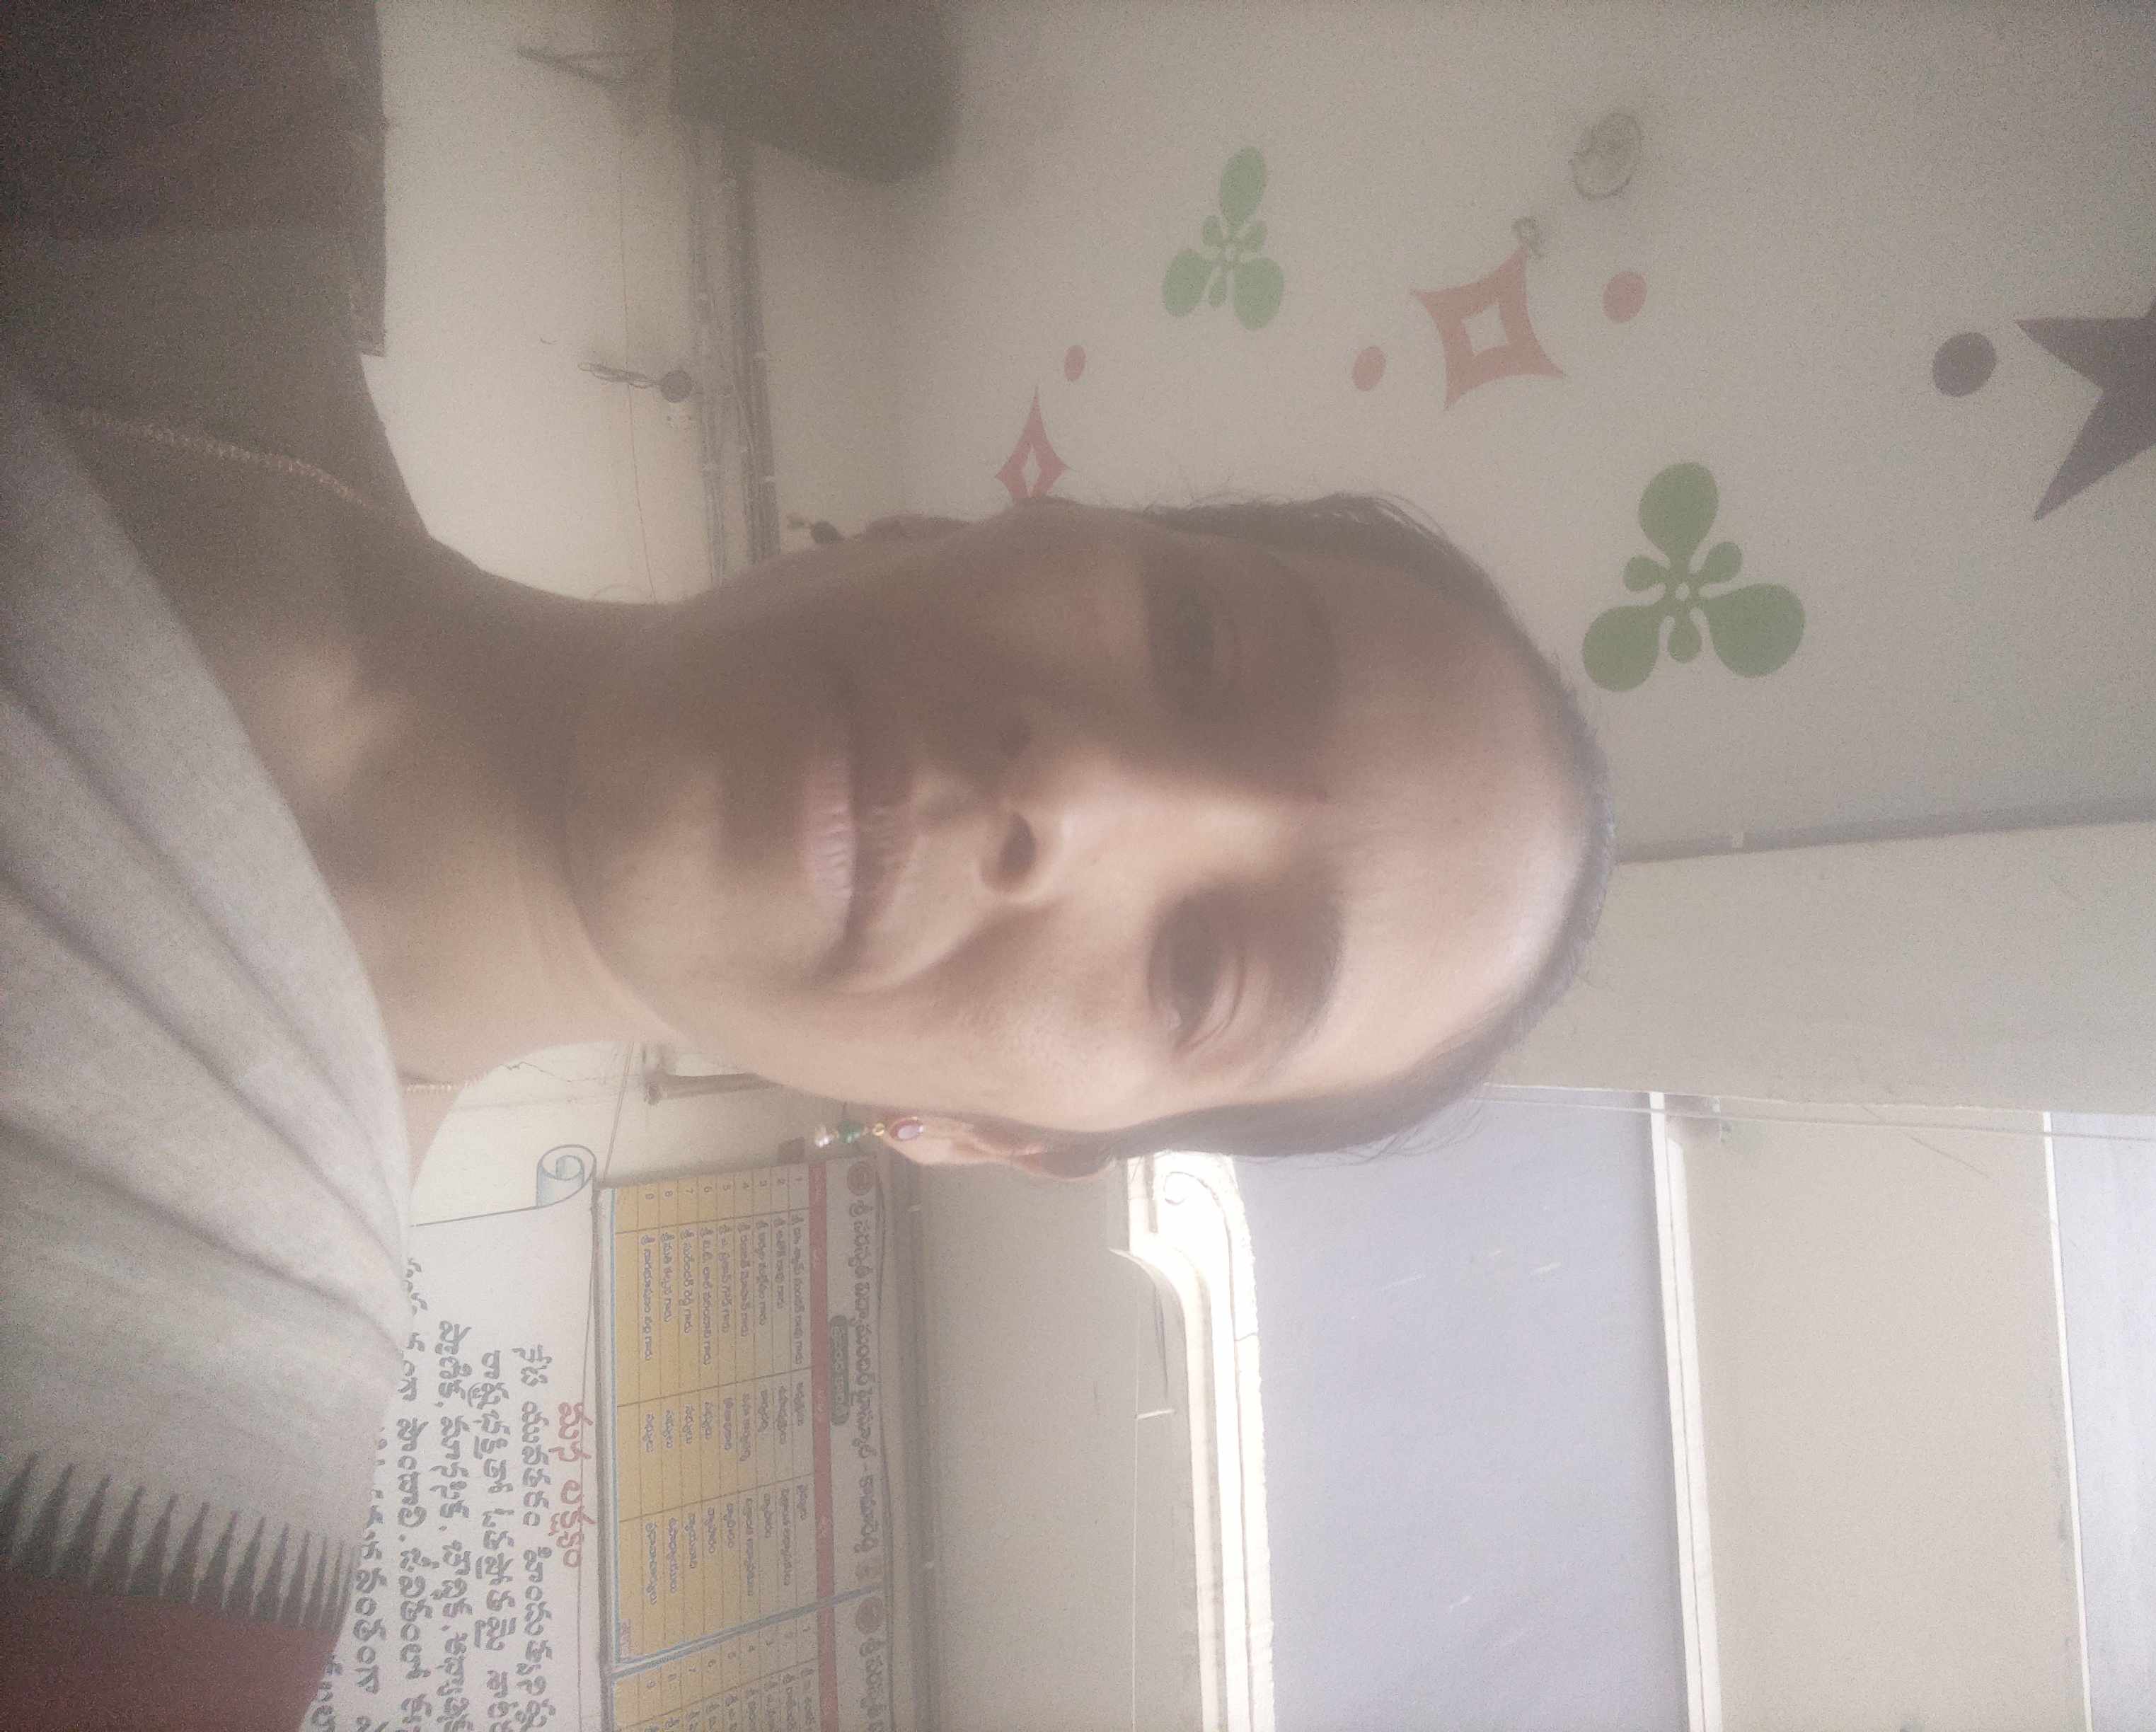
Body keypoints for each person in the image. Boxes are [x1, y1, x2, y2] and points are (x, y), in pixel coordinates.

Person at [0, 10, 1609, 1728]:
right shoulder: (191, 95)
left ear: (986, 1138)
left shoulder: (137, 1574)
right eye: (1198, 640)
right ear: (970, 527)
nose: (1075, 791)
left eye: (1202, 968)